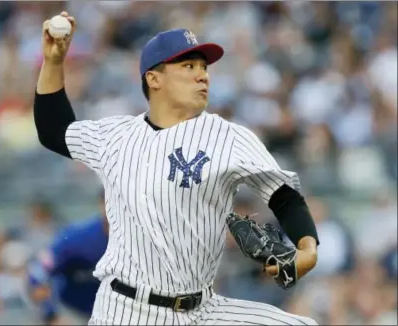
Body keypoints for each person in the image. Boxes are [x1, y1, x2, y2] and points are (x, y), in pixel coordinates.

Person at [34, 11, 320, 325]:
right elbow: (54, 131)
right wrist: (54, 61)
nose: (202, 75)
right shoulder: (114, 137)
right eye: (188, 66)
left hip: (204, 309)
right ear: (154, 78)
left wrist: (307, 247)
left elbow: (283, 196)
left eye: (203, 66)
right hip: (127, 310)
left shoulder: (229, 136)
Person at [27, 191, 108, 325]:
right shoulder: (77, 238)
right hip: (74, 312)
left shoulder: (142, 238)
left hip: (122, 313)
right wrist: (51, 315)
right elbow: (37, 273)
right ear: (101, 204)